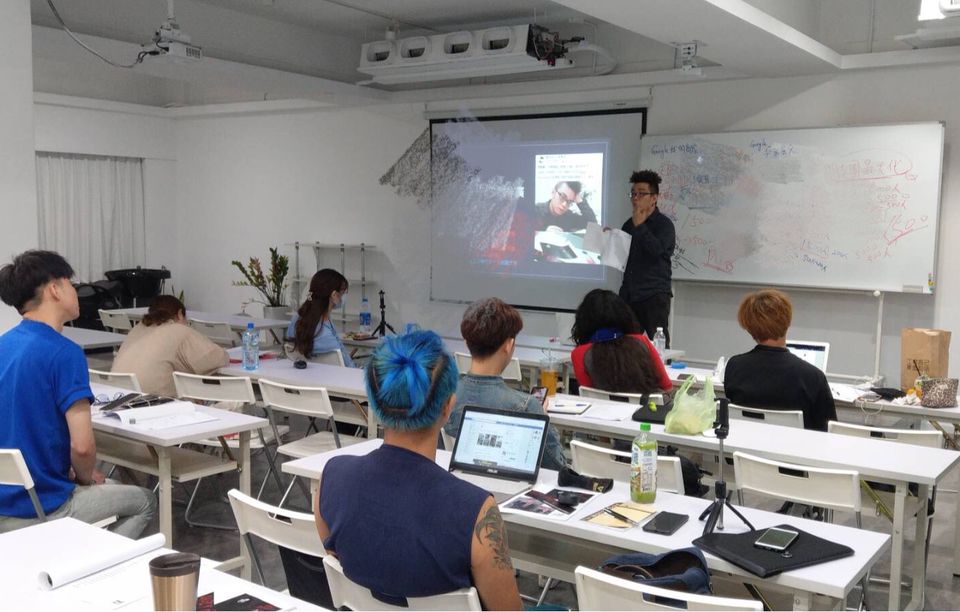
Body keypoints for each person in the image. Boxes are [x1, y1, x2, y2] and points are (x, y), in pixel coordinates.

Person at [314, 330, 523, 610]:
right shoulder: (477, 510)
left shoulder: (331, 477)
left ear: (374, 402)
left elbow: (340, 560)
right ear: (448, 406)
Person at [0, 250, 156, 537]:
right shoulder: (64, 353)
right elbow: (82, 447)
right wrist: (85, 478)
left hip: (5, 503)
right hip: (43, 507)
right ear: (55, 289)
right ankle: (88, 562)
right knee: (145, 501)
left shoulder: (4, 345)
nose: (76, 291)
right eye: (71, 284)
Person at [445, 298, 566, 471]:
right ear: (509, 345)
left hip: (455, 481)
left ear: (467, 343)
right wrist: (543, 418)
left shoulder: (443, 395)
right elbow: (558, 467)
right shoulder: (526, 406)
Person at [724, 289, 837, 432]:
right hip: (796, 446)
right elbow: (829, 432)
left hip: (744, 445)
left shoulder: (734, 367)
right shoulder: (813, 376)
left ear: (749, 327)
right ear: (787, 322)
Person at [111, 295, 229, 397]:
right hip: (155, 400)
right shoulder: (179, 330)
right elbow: (215, 358)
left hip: (116, 394)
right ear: (180, 314)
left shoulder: (137, 329)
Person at [570, 289, 672, 394]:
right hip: (647, 404)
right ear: (624, 315)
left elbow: (589, 395)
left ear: (584, 321)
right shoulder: (641, 341)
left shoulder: (579, 354)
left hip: (603, 405)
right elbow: (667, 386)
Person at [619, 170, 675, 347]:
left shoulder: (664, 225)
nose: (636, 198)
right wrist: (609, 240)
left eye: (641, 193)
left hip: (654, 294)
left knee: (658, 344)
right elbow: (622, 257)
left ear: (654, 198)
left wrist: (641, 226)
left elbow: (657, 252)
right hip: (629, 293)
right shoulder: (628, 225)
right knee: (626, 344)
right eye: (633, 194)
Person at [288, 269, 354, 367]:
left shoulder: (297, 319)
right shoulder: (326, 335)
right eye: (343, 292)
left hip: (304, 375)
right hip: (336, 376)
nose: (344, 297)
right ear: (334, 295)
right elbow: (346, 365)